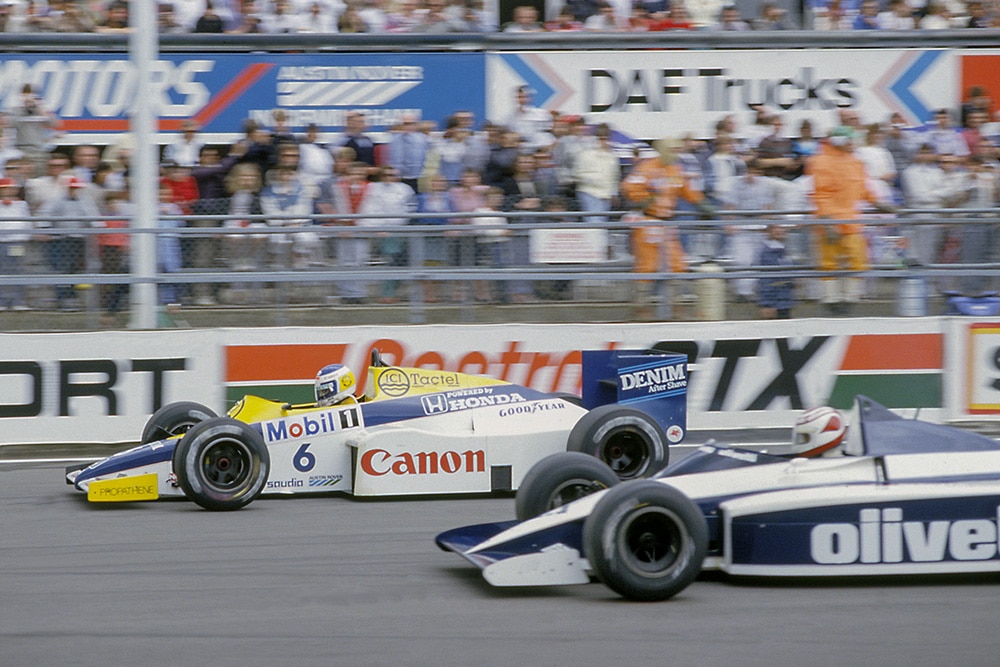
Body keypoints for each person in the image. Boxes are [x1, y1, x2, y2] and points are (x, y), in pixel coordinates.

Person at [806, 125, 889, 315]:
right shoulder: (820, 162)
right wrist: (826, 221)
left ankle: (850, 298)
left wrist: (878, 202)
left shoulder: (856, 162)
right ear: (839, 141)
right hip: (830, 220)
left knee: (858, 259)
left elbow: (863, 188)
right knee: (829, 263)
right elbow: (821, 194)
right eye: (850, 140)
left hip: (851, 221)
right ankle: (831, 300)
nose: (854, 143)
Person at [621, 137, 708, 303]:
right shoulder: (647, 168)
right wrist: (644, 199)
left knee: (676, 263)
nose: (675, 154)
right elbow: (628, 186)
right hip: (648, 222)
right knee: (647, 265)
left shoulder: (675, 170)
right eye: (672, 150)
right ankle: (641, 306)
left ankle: (672, 305)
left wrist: (702, 203)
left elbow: (687, 190)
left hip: (667, 223)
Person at [0, 177, 32, 310]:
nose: (8, 191)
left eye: (10, 188)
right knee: (2, 271)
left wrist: (25, 236)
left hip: (17, 241)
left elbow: (26, 221)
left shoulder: (21, 204)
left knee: (17, 269)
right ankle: (2, 301)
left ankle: (18, 301)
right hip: (1, 241)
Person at [757, 223, 794, 319]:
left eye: (782, 227)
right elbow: (766, 279)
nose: (780, 230)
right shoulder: (767, 253)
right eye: (776, 228)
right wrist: (767, 303)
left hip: (785, 301)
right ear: (769, 232)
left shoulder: (784, 250)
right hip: (776, 303)